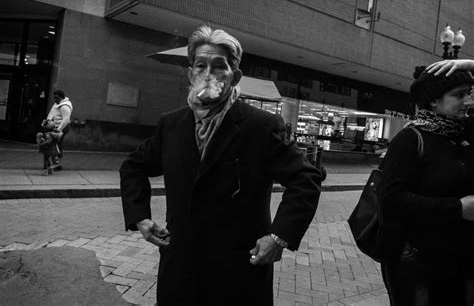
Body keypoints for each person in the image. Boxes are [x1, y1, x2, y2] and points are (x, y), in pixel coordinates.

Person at [120, 25, 321, 306]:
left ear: (234, 76)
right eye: (200, 65)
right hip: (181, 271)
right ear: (191, 74)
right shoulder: (172, 124)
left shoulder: (261, 126)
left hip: (237, 273)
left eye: (219, 67)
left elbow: (306, 179)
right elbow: (133, 167)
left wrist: (278, 237)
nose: (209, 75)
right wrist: (140, 217)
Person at [378, 59, 474, 305]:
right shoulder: (410, 140)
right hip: (418, 265)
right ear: (433, 100)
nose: (469, 101)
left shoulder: (464, 135)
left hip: (461, 261)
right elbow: (391, 199)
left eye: (470, 93)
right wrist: (458, 209)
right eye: (459, 95)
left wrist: (472, 65)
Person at [46, 90, 72, 170]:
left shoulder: (64, 106)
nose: (55, 100)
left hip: (63, 127)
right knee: (56, 144)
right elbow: (51, 114)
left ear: (62, 97)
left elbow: (66, 119)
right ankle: (56, 163)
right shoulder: (57, 104)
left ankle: (56, 163)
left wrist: (58, 130)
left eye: (57, 98)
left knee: (54, 144)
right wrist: (47, 121)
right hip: (56, 127)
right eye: (54, 98)